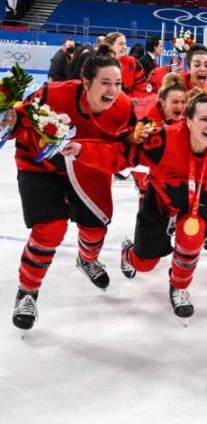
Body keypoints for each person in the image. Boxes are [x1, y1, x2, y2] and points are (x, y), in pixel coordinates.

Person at [63, 94, 207, 320]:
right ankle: (128, 254)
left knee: (191, 237)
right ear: (188, 121)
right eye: (203, 119)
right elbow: (120, 156)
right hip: (161, 200)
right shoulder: (161, 140)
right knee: (144, 265)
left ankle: (179, 287)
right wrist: (83, 150)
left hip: (203, 200)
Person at [3, 55, 138, 330]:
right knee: (49, 229)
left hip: (88, 167)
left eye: (118, 84)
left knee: (95, 229)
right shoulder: (53, 94)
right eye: (105, 83)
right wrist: (9, 120)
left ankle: (87, 260)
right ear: (85, 82)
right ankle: (27, 292)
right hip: (38, 164)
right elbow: (19, 122)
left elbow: (126, 155)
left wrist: (89, 151)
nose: (113, 91)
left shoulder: (124, 108)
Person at [99, 32, 148, 97]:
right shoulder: (98, 63)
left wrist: (129, 101)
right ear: (110, 45)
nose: (124, 47)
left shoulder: (133, 62)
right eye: (120, 44)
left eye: (125, 44)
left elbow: (140, 87)